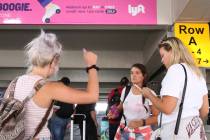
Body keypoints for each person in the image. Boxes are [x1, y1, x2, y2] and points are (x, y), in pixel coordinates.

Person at [4, 30, 99, 140]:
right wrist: (92, 65)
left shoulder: (14, 83)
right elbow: (92, 96)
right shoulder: (49, 87)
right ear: (53, 60)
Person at [140, 37, 209, 139]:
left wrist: (149, 95)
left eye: (163, 56)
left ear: (172, 51)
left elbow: (167, 108)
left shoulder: (175, 70)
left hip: (176, 132)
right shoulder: (197, 74)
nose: (162, 60)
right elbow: (204, 111)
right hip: (195, 131)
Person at [107, 63, 159, 140]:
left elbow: (157, 117)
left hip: (142, 134)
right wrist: (113, 111)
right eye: (132, 73)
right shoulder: (126, 90)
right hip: (124, 130)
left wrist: (140, 123)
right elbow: (121, 106)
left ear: (144, 76)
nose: (133, 75)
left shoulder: (149, 93)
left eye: (137, 73)